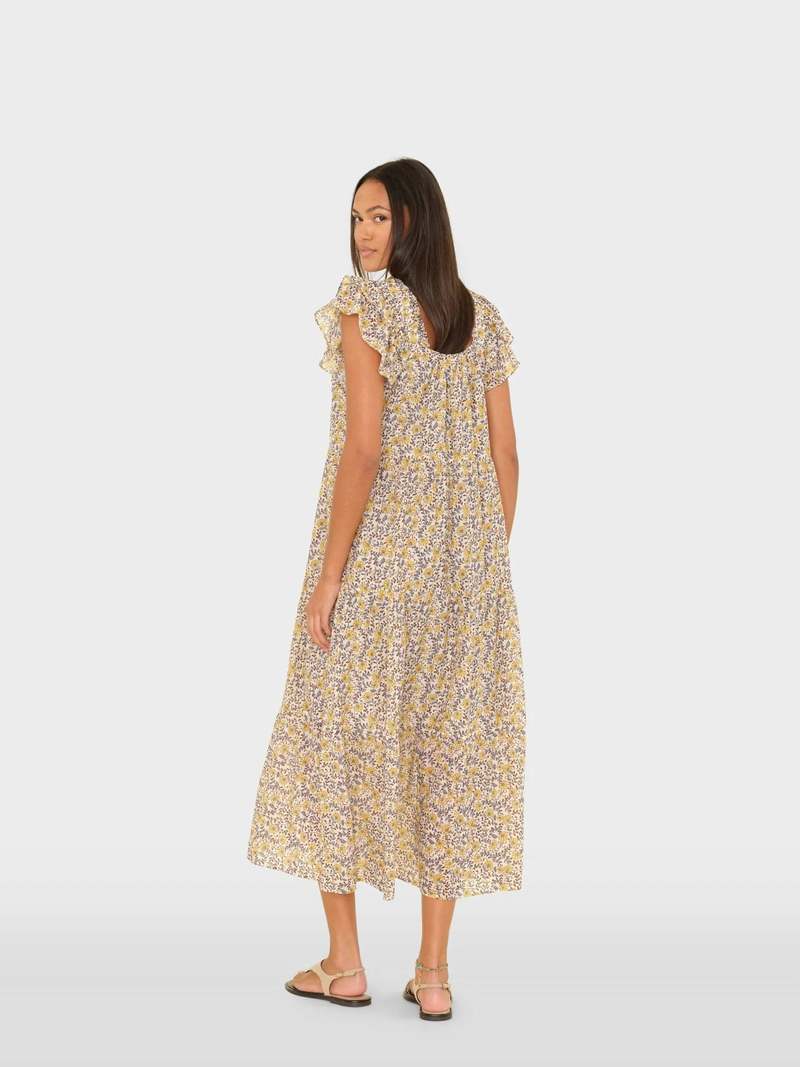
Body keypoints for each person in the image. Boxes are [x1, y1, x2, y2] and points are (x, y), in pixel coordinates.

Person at [246, 157, 525, 1021]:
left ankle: (345, 963)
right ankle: (433, 974)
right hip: (466, 578)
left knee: (331, 740)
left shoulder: (367, 309)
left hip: (375, 564)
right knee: (449, 751)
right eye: (356, 217)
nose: (363, 233)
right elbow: (507, 455)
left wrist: (331, 576)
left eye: (378, 216)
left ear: (415, 221)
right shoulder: (480, 318)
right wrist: (480, 564)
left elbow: (363, 450)